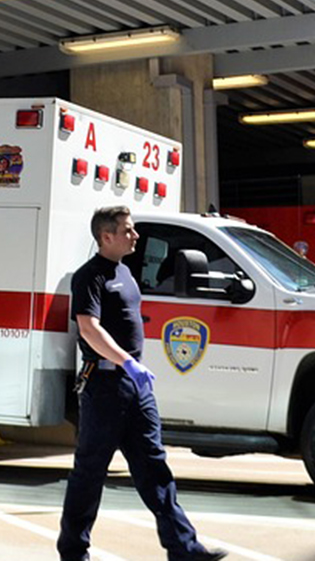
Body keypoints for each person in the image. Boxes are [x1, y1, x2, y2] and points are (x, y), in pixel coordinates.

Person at [58, 205, 227, 561]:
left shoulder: (126, 273)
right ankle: (73, 551)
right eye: (128, 230)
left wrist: (135, 372)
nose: (135, 235)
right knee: (89, 473)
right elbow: (89, 327)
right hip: (104, 386)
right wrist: (127, 362)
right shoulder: (90, 277)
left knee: (154, 467)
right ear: (107, 236)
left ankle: (184, 548)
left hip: (135, 387)